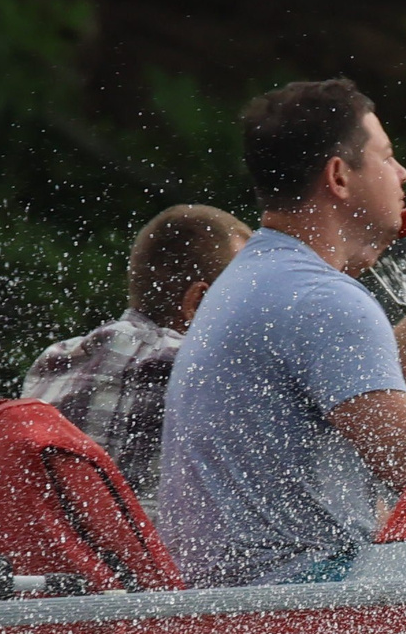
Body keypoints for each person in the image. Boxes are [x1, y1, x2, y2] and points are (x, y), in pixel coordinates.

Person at [159, 77, 406, 588]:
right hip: (297, 598)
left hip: (237, 597)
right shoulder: (321, 299)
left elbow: (387, 380)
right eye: (387, 157)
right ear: (339, 176)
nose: (404, 173)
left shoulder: (260, 275)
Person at [20, 203, 248, 514]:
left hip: (51, 559)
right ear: (198, 302)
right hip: (155, 559)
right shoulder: (188, 366)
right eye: (245, 298)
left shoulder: (53, 361)